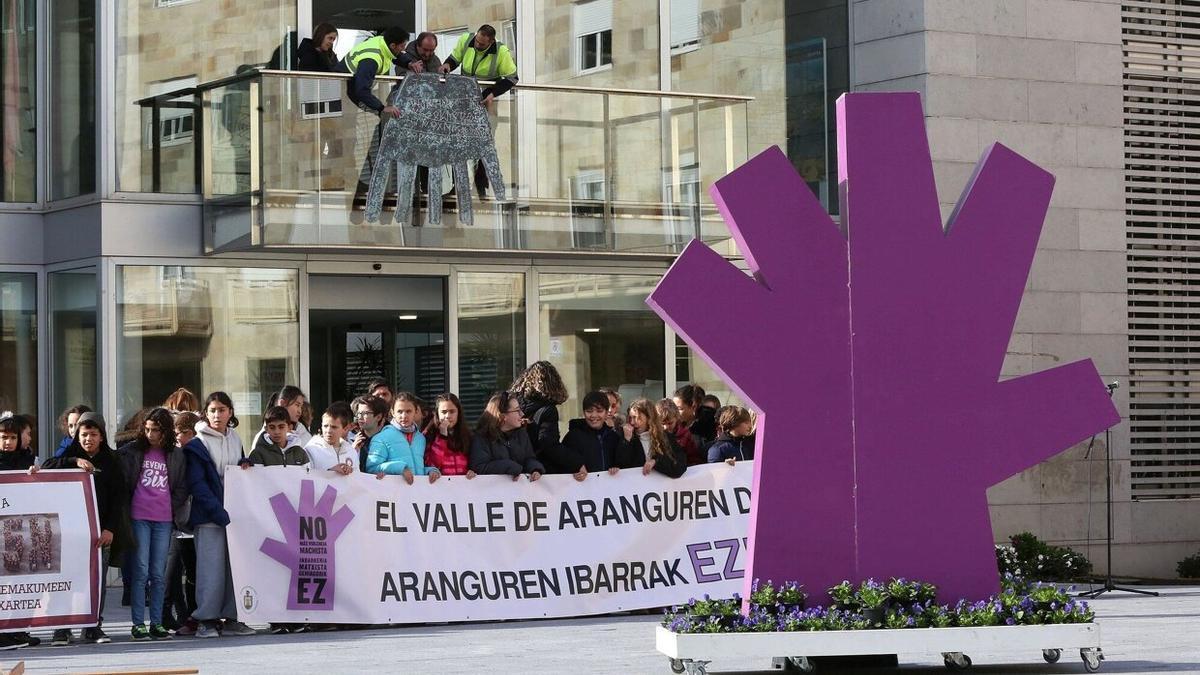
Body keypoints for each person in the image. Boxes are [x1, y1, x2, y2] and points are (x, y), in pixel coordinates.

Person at [40, 412, 130, 645]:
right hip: (69, 531)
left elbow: (119, 497)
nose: (88, 439)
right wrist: (74, 462)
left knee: (96, 579)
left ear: (101, 436)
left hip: (99, 532)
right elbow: (47, 466)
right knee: (67, 577)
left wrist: (110, 529)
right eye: (83, 434)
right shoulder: (70, 454)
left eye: (93, 434)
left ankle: (93, 626)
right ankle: (62, 628)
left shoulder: (111, 460)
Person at [185, 392, 256, 639]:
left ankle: (232, 619)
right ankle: (206, 620)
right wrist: (217, 511)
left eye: (222, 409)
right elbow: (197, 484)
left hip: (233, 516)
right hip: (208, 517)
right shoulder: (197, 444)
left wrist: (246, 463)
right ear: (206, 412)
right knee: (210, 571)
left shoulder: (235, 438)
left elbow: (236, 469)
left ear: (230, 413)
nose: (217, 415)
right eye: (213, 410)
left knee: (233, 568)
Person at [118, 408, 189, 641]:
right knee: (140, 572)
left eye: (156, 430)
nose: (150, 434)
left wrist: (171, 508)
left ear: (166, 431)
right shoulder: (132, 451)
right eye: (147, 429)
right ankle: (138, 623)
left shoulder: (176, 455)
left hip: (164, 520)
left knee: (158, 574)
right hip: (139, 517)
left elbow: (181, 486)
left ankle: (156, 623)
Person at [438, 24, 518, 198]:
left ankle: (481, 185)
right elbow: (455, 58)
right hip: (466, 96)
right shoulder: (467, 40)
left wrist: (492, 93)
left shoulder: (501, 51)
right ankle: (458, 186)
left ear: (490, 42)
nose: (477, 45)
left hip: (486, 99)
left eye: (481, 45)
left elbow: (512, 78)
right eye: (477, 41)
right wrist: (447, 66)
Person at [343, 27, 411, 211]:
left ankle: (374, 185)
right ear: (392, 45)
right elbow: (361, 90)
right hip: (352, 98)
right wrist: (382, 108)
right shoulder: (371, 58)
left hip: (358, 97)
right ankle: (363, 188)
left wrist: (410, 62)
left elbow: (397, 55)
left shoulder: (383, 44)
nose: (401, 50)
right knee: (363, 142)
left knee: (372, 141)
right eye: (401, 47)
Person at [0, 416, 39, 650]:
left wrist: (37, 475)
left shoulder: (27, 460)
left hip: (19, 531)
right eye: (3, 437)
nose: (8, 442)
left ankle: (17, 630)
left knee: (20, 579)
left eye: (12, 437)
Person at [165, 412, 200, 635]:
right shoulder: (174, 455)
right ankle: (172, 614)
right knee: (171, 572)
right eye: (176, 433)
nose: (179, 437)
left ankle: (191, 615)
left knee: (195, 573)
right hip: (176, 521)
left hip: (194, 521)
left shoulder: (198, 452)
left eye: (184, 433)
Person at [560, 391, 641, 480]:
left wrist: (617, 468)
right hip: (582, 491)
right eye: (589, 411)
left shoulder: (615, 436)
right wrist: (573, 470)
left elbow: (627, 464)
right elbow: (561, 465)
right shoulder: (573, 436)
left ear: (607, 413)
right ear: (584, 412)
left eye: (599, 411)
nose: (594, 415)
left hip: (610, 491)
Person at [367, 392, 440, 484]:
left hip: (418, 494)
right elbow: (372, 468)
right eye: (400, 411)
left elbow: (417, 470)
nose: (404, 416)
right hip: (394, 494)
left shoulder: (421, 438)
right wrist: (400, 468)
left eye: (408, 411)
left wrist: (430, 471)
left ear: (416, 412)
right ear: (393, 412)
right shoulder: (381, 438)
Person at [470, 391, 544, 481]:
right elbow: (479, 467)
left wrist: (535, 469)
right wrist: (508, 466)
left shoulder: (521, 434)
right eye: (517, 410)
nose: (522, 414)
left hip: (519, 492)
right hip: (492, 492)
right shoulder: (482, 437)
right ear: (502, 416)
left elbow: (528, 458)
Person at [510, 361, 569, 471]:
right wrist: (576, 463)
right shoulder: (548, 410)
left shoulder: (511, 406)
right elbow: (548, 445)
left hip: (512, 467)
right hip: (538, 469)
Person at [622, 398, 687, 479]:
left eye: (636, 418)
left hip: (661, 489)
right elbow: (621, 466)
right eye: (630, 418)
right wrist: (626, 441)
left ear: (649, 417)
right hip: (635, 488)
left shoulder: (665, 437)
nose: (632, 422)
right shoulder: (627, 437)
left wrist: (656, 462)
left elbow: (679, 467)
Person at [423, 393, 475, 478]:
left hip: (464, 487)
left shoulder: (467, 435)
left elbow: (473, 463)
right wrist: (442, 436)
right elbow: (432, 465)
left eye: (452, 411)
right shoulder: (429, 435)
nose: (447, 416)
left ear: (458, 413)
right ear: (437, 414)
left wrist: (472, 471)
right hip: (440, 487)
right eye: (443, 412)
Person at [242, 406, 309, 467]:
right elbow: (255, 479)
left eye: (281, 427)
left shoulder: (300, 453)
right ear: (266, 429)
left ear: (289, 427)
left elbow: (307, 478)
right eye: (272, 427)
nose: (277, 432)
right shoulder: (258, 454)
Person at [305, 404, 357, 475]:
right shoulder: (311, 450)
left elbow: (358, 480)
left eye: (334, 427)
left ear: (345, 429)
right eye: (325, 426)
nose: (328, 430)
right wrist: (331, 472)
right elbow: (306, 477)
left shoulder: (351, 451)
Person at [673, 384, 717, 453]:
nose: (675, 412)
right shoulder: (673, 425)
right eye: (674, 408)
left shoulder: (711, 423)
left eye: (679, 409)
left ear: (693, 406)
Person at [659, 397, 702, 466]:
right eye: (662, 424)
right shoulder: (653, 435)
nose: (666, 427)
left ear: (676, 418)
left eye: (670, 423)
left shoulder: (685, 434)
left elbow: (693, 458)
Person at [351, 395, 388, 472]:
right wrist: (351, 451)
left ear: (378, 417)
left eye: (366, 413)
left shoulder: (389, 440)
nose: (360, 417)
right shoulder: (352, 440)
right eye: (359, 413)